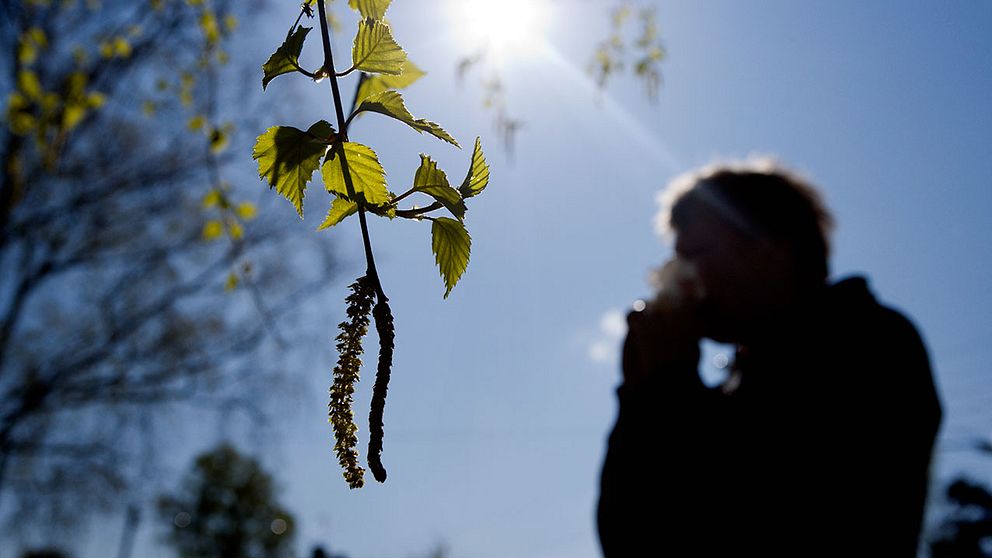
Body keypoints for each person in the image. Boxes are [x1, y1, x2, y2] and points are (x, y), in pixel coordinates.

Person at [597, 160, 942, 556]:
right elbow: (630, 539)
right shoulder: (726, 388)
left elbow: (750, 516)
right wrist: (640, 393)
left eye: (696, 254)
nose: (681, 276)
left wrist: (667, 384)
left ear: (770, 251)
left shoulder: (870, 343)